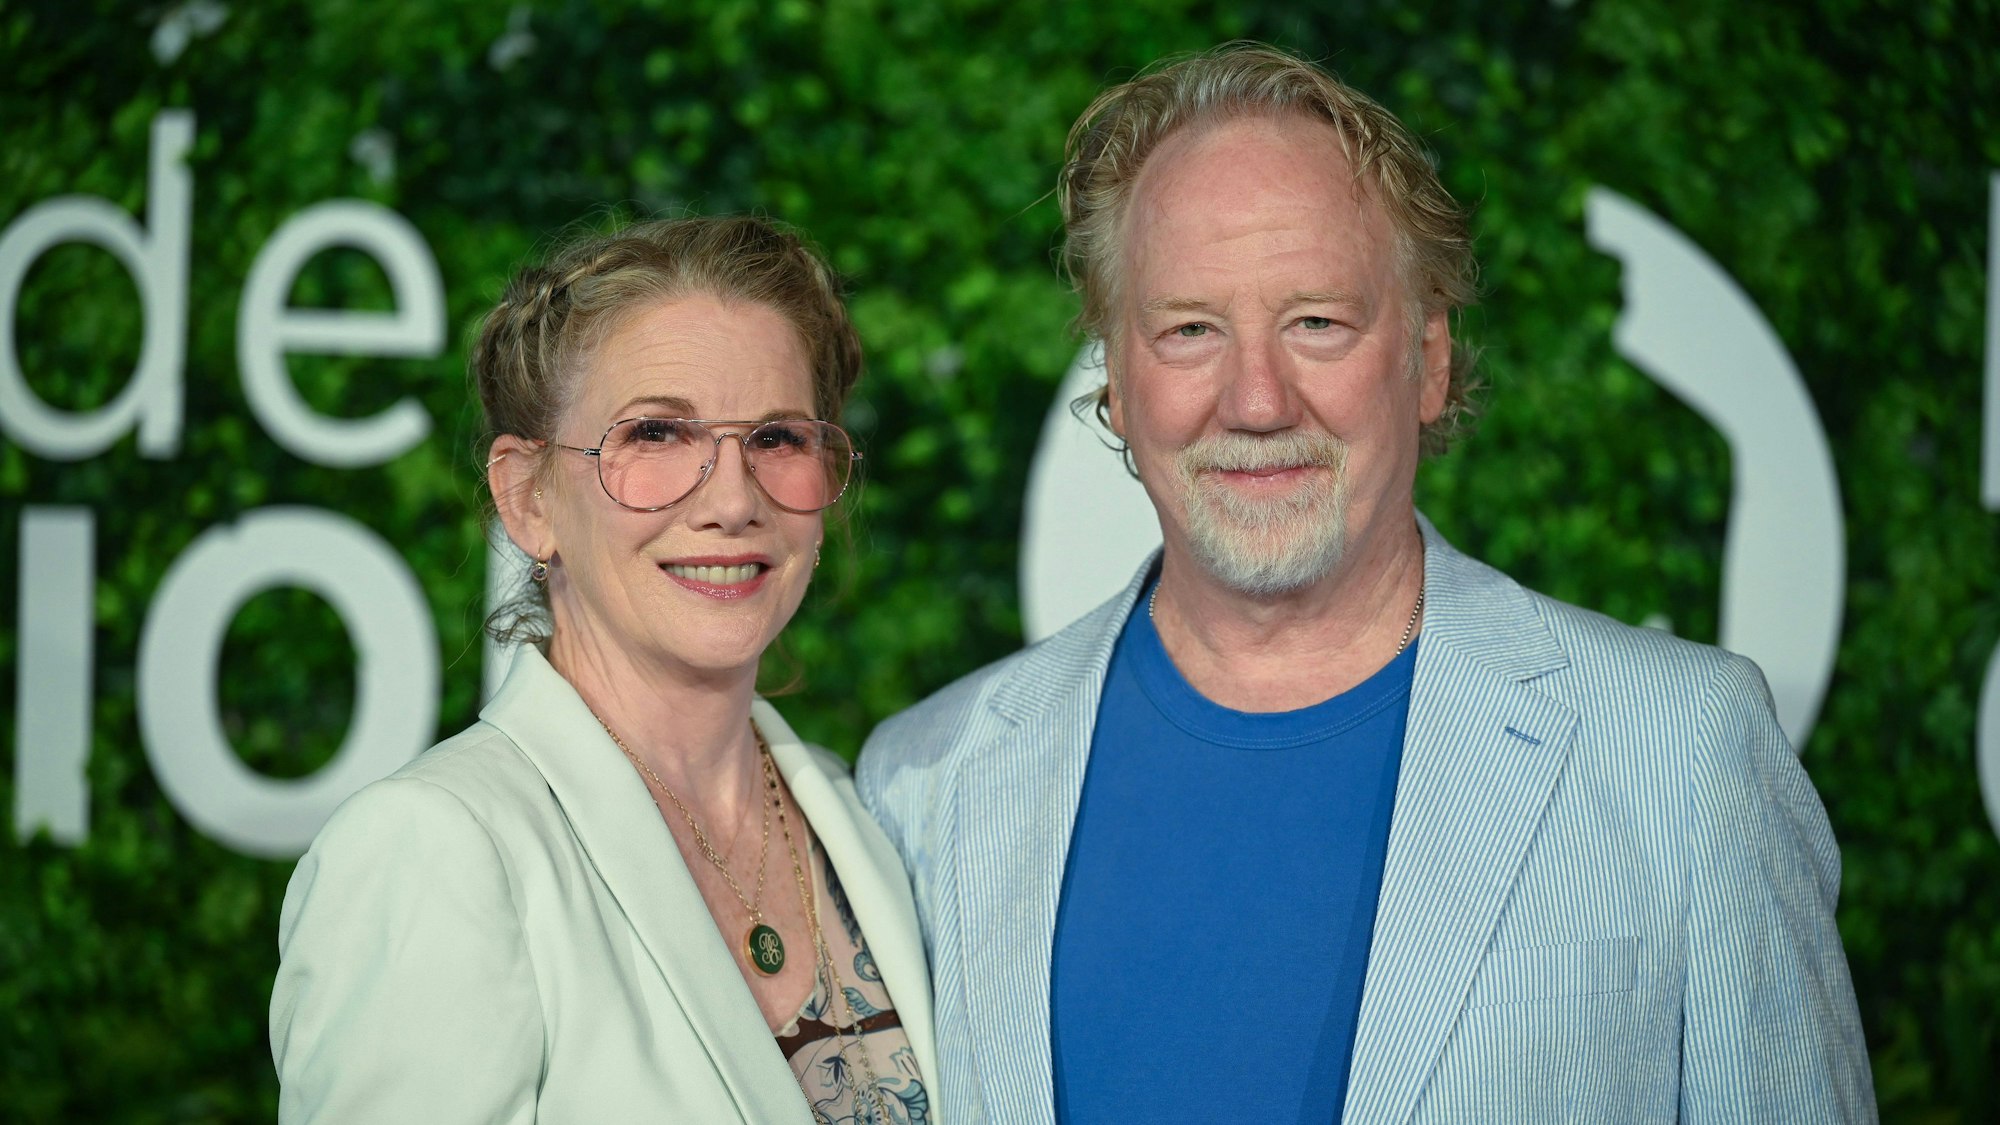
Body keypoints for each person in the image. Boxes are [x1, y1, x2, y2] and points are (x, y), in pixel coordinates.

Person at [856, 42, 1874, 1124]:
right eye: (1190, 330)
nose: (1256, 400)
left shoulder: (1681, 750)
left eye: (1317, 323)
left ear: (1428, 359)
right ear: (1117, 378)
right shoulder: (929, 782)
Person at [271, 215, 937, 1124]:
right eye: (656, 433)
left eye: (778, 438)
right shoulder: (433, 848)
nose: (733, 500)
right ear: (528, 497)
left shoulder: (866, 817)